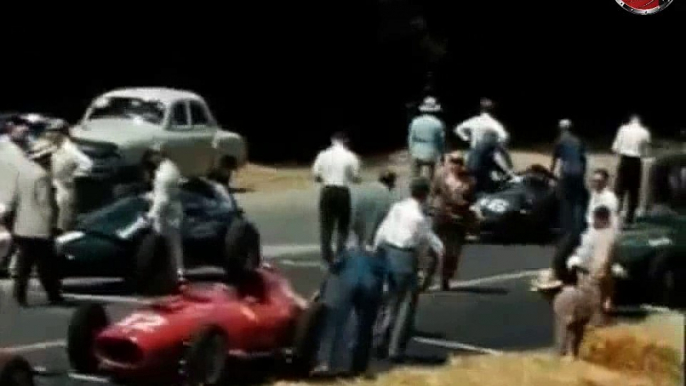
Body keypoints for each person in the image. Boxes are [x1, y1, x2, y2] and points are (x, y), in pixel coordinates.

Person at [373, 177, 445, 362]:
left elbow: (382, 232)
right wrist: (429, 267)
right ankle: (395, 349)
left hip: (387, 251)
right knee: (405, 305)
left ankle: (379, 339)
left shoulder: (398, 207)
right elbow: (425, 243)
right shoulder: (419, 217)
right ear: (425, 195)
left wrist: (376, 252)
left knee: (388, 300)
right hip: (404, 257)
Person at [317, 247, 389, 375]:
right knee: (365, 327)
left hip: (346, 274)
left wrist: (323, 290)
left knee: (333, 321)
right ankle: (358, 366)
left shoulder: (345, 250)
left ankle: (325, 362)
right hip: (370, 278)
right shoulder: (379, 253)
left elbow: (332, 266)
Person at [12, 140, 63, 306]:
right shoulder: (42, 176)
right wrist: (52, 226)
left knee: (24, 263)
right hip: (39, 227)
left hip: (22, 225)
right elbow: (45, 204)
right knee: (46, 264)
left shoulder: (22, 173)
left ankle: (19, 293)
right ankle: (53, 294)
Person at [312, 132, 361, 265]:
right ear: (345, 142)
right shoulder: (350, 156)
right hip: (342, 190)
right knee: (343, 225)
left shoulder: (323, 155)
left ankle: (326, 255)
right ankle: (340, 253)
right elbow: (356, 177)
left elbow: (316, 175)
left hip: (327, 189)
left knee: (326, 225)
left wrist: (326, 176)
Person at [430, 154, 477, 290]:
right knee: (433, 247)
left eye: (458, 162)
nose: (455, 165)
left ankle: (446, 277)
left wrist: (464, 203)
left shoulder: (469, 181)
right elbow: (433, 192)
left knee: (453, 251)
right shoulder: (440, 175)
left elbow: (471, 199)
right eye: (453, 161)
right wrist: (431, 207)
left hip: (459, 217)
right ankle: (427, 276)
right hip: (441, 214)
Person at [566, 206, 617, 324]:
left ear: (603, 219)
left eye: (596, 219)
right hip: (585, 274)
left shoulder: (605, 236)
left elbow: (603, 260)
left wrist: (597, 276)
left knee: (594, 309)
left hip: (592, 276)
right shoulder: (593, 232)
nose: (593, 221)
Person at [144, 143, 186, 284]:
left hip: (166, 214)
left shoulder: (163, 175)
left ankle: (171, 275)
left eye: (152, 155)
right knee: (175, 244)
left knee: (165, 244)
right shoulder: (172, 167)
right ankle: (178, 272)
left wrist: (151, 215)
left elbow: (162, 200)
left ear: (158, 155)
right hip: (175, 211)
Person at [44, 119, 93, 233]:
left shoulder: (70, 149)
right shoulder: (55, 146)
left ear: (59, 133)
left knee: (64, 220)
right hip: (54, 185)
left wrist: (73, 176)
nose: (48, 134)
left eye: (51, 131)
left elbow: (87, 164)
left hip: (64, 189)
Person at [0, 122, 32, 277]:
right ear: (10, 130)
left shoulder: (27, 147)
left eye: (27, 132)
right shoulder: (4, 147)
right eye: (22, 131)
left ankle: (7, 265)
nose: (25, 134)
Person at [611, 114, 651, 226]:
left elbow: (615, 148)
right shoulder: (645, 132)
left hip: (624, 160)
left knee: (619, 189)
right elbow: (646, 152)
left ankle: (616, 215)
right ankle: (630, 218)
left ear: (630, 120)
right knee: (634, 191)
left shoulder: (623, 129)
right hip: (636, 162)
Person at [551, 119, 588, 235]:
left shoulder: (559, 141)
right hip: (578, 172)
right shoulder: (578, 140)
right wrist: (583, 173)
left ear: (560, 128)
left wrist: (550, 174)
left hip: (567, 172)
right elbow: (583, 159)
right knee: (578, 201)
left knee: (566, 200)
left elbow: (554, 159)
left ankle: (566, 229)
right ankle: (579, 228)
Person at [350, 170, 397, 249]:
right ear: (391, 183)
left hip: (355, 210)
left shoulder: (368, 186)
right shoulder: (386, 194)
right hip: (371, 217)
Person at [408, 96, 445, 180]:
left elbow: (410, 139)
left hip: (416, 152)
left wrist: (411, 152)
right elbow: (441, 142)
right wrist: (442, 155)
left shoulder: (415, 121)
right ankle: (432, 188)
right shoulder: (438, 123)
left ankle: (416, 189)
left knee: (415, 177)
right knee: (433, 177)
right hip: (432, 154)